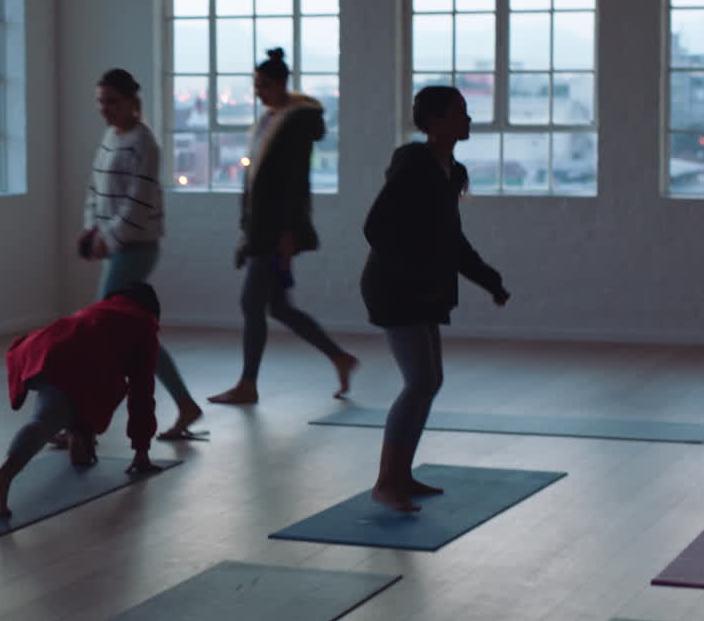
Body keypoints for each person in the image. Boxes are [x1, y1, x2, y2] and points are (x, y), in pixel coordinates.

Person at [361, 85, 510, 512]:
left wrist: (489, 280)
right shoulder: (413, 167)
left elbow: (451, 239)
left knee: (429, 381)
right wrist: (410, 276)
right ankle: (386, 482)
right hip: (394, 288)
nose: (468, 119)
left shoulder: (451, 171)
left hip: (424, 288)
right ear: (437, 121)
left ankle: (402, 475)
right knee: (421, 381)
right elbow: (376, 228)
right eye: (461, 112)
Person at [209, 48, 358, 406]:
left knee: (252, 303)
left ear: (279, 85)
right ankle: (339, 357)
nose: (257, 92)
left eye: (262, 85)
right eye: (255, 85)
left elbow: (294, 183)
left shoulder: (292, 125)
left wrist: (287, 235)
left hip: (274, 232)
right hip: (263, 229)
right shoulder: (271, 120)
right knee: (277, 307)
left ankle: (248, 384)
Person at [79, 68, 203, 440]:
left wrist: (108, 239)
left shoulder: (145, 143)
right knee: (133, 335)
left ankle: (79, 420)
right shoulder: (110, 138)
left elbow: (138, 203)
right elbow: (94, 188)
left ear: (133, 102)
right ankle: (185, 404)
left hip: (136, 250)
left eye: (112, 102)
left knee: (103, 330)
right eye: (101, 103)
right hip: (119, 248)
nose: (105, 110)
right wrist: (92, 229)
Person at [0, 284, 164, 517]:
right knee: (45, 421)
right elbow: (142, 391)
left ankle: (76, 437)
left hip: (39, 349)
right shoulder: (144, 324)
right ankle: (4, 475)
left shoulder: (103, 310)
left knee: (61, 405)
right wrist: (141, 450)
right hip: (69, 362)